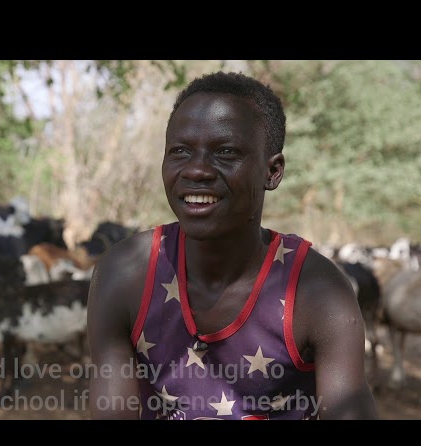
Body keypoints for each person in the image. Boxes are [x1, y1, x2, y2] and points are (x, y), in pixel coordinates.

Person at [86, 71, 378, 420]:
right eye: (180, 151)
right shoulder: (125, 272)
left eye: (225, 152)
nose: (196, 170)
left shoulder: (318, 291)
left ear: (272, 172)